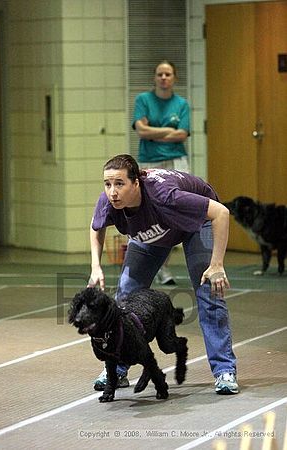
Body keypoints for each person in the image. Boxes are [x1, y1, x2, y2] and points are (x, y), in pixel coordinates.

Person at [89, 154, 239, 395]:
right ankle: (117, 368)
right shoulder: (109, 201)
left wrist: (217, 265)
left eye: (119, 184)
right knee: (125, 297)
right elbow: (96, 227)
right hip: (154, 233)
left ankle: (224, 370)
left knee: (209, 291)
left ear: (136, 183)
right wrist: (96, 266)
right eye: (107, 184)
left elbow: (220, 213)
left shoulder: (163, 195)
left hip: (196, 225)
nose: (112, 191)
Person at [132, 60, 191, 285]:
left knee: (175, 211)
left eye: (168, 74)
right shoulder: (143, 100)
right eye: (160, 74)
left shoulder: (181, 104)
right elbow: (141, 130)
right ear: (155, 78)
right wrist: (168, 130)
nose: (164, 78)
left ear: (174, 77)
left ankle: (166, 265)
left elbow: (182, 134)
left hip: (177, 161)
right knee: (151, 213)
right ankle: (152, 265)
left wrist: (154, 132)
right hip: (150, 161)